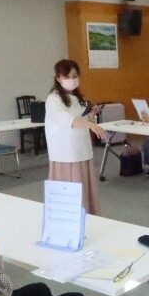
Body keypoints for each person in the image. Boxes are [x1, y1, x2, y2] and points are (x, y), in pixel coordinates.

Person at [45, 59, 107, 215]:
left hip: (82, 150)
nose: (71, 80)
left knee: (86, 189)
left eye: (74, 76)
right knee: (70, 192)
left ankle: (88, 217)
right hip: (66, 154)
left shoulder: (79, 98)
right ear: (58, 78)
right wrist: (91, 125)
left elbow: (83, 119)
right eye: (66, 76)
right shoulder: (53, 99)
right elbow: (67, 120)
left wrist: (91, 115)